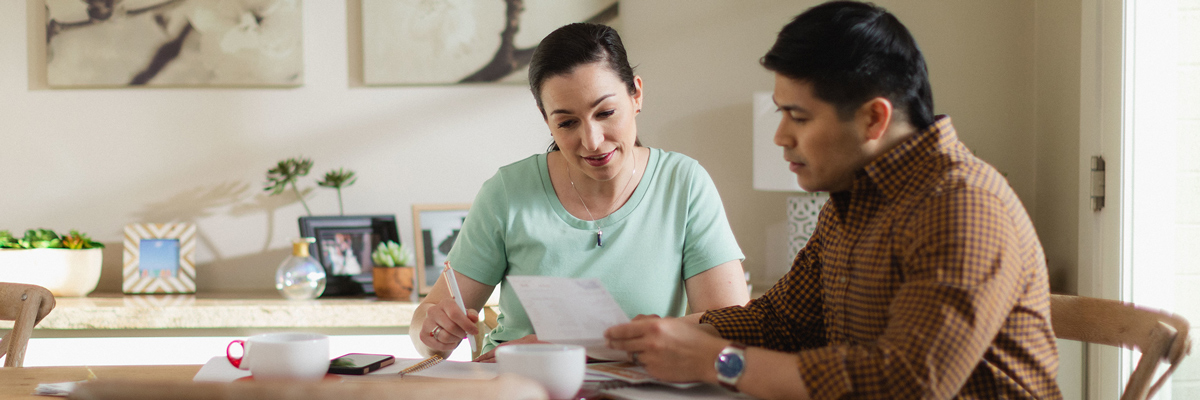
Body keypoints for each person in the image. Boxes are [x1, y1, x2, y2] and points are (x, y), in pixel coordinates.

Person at [604, 2, 1062, 399]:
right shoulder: (854, 197)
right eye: (780, 113)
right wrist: (671, 334)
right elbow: (782, 321)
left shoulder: (964, 207)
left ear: (873, 118)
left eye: (798, 117)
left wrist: (721, 362)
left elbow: (904, 386)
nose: (781, 137)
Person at [409, 22, 750, 361]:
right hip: (516, 384)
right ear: (546, 120)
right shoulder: (508, 192)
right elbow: (426, 326)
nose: (592, 141)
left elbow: (731, 328)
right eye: (567, 123)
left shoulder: (684, 184)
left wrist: (562, 349)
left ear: (637, 95)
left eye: (606, 112)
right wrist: (434, 330)